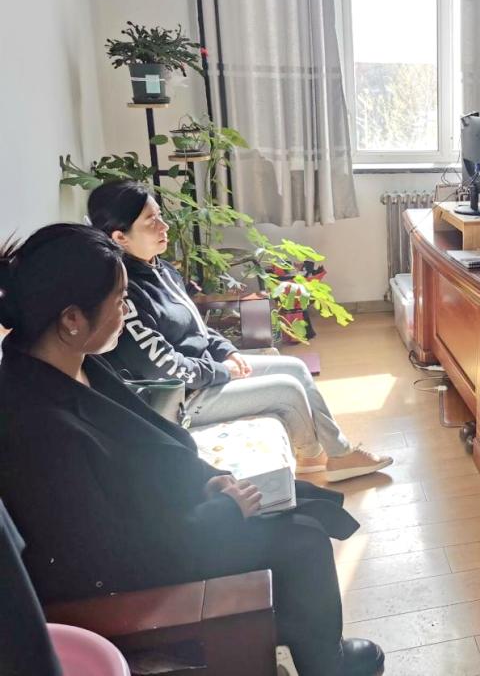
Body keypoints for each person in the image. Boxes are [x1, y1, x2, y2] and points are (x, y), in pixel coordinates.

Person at [0, 224, 385, 676]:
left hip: (169, 519)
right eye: (120, 301)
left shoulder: (76, 363)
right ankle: (325, 662)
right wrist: (222, 512)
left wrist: (206, 480)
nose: (125, 311)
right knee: (302, 542)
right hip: (142, 569)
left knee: (297, 506)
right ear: (71, 319)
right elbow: (108, 556)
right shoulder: (36, 425)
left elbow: (149, 445)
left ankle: (313, 644)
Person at [86, 180, 391, 482]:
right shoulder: (125, 294)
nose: (164, 226)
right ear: (120, 237)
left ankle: (337, 455)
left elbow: (196, 327)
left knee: (296, 368)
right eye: (151, 221)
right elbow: (163, 369)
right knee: (287, 390)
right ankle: (314, 459)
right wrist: (222, 371)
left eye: (160, 216)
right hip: (180, 398)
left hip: (205, 372)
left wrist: (227, 352)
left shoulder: (161, 269)